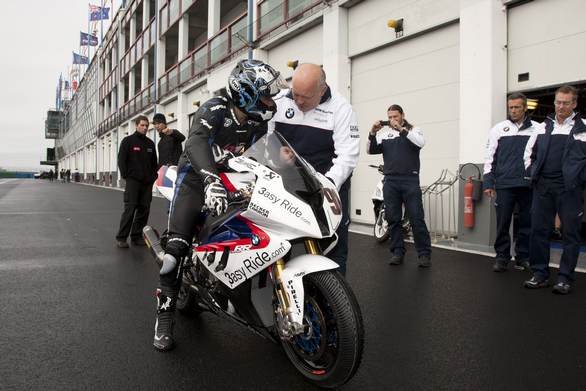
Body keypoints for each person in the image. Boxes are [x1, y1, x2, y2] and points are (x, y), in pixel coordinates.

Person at [153, 59, 285, 351]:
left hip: (233, 182)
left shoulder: (256, 121)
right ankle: (164, 316)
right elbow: (196, 143)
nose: (269, 100)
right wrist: (211, 180)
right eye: (264, 94)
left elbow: (264, 154)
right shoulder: (214, 109)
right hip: (195, 181)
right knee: (175, 253)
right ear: (246, 93)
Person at [268, 63, 360, 276]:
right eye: (296, 94)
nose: (298, 101)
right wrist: (276, 155)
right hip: (288, 186)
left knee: (333, 248)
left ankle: (333, 306)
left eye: (306, 97)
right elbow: (266, 138)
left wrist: (324, 186)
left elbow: (348, 155)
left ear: (322, 89)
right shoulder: (280, 101)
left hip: (327, 188)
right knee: (283, 246)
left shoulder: (342, 109)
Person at [523, 85, 586, 295]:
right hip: (543, 187)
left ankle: (565, 278)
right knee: (538, 231)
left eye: (566, 103)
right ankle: (540, 274)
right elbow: (528, 154)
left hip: (570, 190)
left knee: (570, 234)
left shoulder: (583, 128)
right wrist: (533, 173)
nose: (560, 106)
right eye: (558, 102)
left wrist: (580, 180)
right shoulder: (542, 127)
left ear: (574, 104)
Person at [367, 105, 432, 267]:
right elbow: (369, 150)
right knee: (393, 219)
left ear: (402, 115)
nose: (392, 120)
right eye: (390, 117)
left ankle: (424, 254)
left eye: (395, 116)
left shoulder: (414, 130)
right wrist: (372, 132)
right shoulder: (384, 134)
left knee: (417, 218)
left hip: (410, 180)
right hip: (390, 181)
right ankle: (397, 252)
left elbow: (420, 143)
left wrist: (401, 129)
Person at [483, 92, 540, 272]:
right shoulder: (498, 129)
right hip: (504, 184)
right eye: (510, 107)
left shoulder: (538, 129)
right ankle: (502, 257)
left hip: (528, 185)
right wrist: (488, 183)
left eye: (517, 107)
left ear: (525, 107)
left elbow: (541, 157)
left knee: (527, 223)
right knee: (502, 223)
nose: (513, 110)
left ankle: (523, 256)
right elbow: (489, 157)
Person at [115, 115, 158, 248]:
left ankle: (136, 237)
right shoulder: (128, 141)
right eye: (142, 125)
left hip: (147, 184)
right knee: (130, 208)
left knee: (144, 210)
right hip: (133, 182)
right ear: (136, 125)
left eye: (146, 126)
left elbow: (154, 163)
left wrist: (153, 177)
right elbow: (121, 160)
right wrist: (126, 176)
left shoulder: (150, 144)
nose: (145, 128)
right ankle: (121, 238)